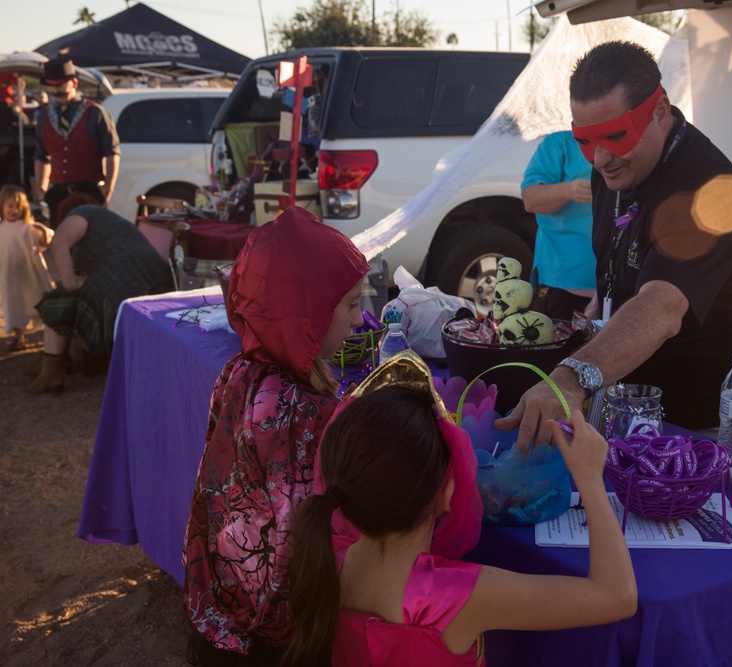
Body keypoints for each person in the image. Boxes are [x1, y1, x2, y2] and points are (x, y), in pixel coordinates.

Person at [498, 41, 732, 448]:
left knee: (725, 514)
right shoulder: (612, 168)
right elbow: (621, 271)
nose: (599, 158)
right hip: (665, 407)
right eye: (585, 140)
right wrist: (586, 323)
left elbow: (662, 306)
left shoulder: (709, 191)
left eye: (615, 135)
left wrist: (571, 378)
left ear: (660, 111)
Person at [283, 372, 637, 666]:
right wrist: (590, 479)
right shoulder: (455, 595)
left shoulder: (324, 554)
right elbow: (617, 596)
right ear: (448, 490)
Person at [182, 206, 373, 665]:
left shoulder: (240, 371)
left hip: (224, 603)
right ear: (303, 314)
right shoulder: (302, 411)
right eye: (349, 304)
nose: (360, 319)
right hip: (274, 632)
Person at [23, 194, 173, 393]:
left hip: (124, 290)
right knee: (72, 297)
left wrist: (69, 283)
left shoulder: (82, 213)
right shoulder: (110, 221)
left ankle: (52, 371)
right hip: (154, 286)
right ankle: (55, 362)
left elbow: (58, 243)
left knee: (58, 301)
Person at [33, 56, 120, 228]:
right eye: (52, 86)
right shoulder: (43, 116)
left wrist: (107, 189)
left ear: (74, 83)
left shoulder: (95, 113)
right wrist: (41, 190)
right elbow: (41, 156)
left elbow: (112, 152)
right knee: (59, 244)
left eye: (60, 85)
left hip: (88, 192)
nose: (56, 90)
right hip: (58, 194)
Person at [521, 130, 597, 320]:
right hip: (568, 286)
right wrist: (568, 190)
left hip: (624, 285)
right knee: (569, 348)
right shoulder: (560, 142)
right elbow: (531, 199)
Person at [0, 185, 55, 351]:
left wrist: (42, 231)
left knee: (38, 301)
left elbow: (48, 239)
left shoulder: (28, 227)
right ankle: (19, 337)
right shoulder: (1, 227)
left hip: (30, 274)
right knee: (13, 305)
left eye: (18, 207)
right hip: (9, 276)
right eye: (10, 206)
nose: (14, 210)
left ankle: (51, 337)